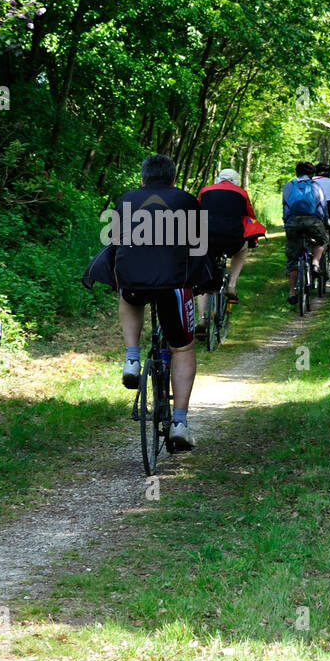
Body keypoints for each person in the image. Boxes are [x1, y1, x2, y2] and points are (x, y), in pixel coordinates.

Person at [113, 154, 203, 450]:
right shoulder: (187, 200)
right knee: (183, 348)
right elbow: (198, 248)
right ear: (174, 179)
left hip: (134, 283)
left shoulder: (125, 199)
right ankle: (179, 422)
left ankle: (132, 357)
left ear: (142, 179)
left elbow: (116, 244)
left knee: (126, 290)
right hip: (172, 286)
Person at [195, 169, 259, 329]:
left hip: (206, 239)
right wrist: (253, 240)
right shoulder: (242, 194)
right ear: (236, 181)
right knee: (243, 247)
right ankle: (231, 284)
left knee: (203, 279)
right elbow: (250, 218)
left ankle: (202, 319)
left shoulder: (206, 190)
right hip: (232, 239)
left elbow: (196, 212)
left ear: (218, 179)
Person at [282, 160, 327, 304]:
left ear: (297, 172)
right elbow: (322, 207)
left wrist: (287, 222)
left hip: (293, 223)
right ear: (312, 174)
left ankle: (292, 292)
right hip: (312, 221)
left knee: (293, 258)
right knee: (321, 240)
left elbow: (285, 206)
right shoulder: (316, 186)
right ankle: (315, 262)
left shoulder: (289, 186)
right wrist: (323, 222)